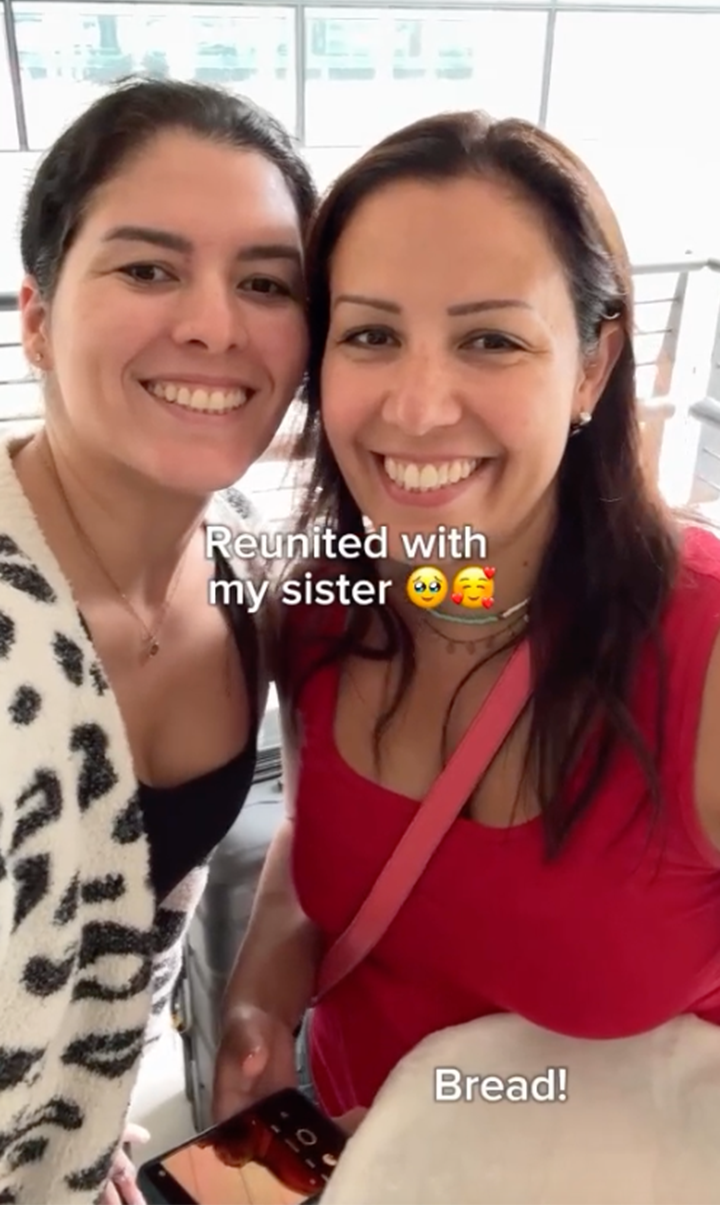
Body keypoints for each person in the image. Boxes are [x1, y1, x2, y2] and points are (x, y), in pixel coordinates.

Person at [212, 109, 720, 1186]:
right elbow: (319, 847)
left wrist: (472, 1107)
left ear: (593, 366)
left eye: (491, 338)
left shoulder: (703, 650)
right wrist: (260, 1001)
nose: (417, 403)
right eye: (370, 334)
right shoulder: (324, 607)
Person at [0, 76, 315, 1205]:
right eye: (148, 268)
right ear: (36, 314)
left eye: (266, 282)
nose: (214, 323)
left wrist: (98, 1130)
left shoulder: (234, 567)